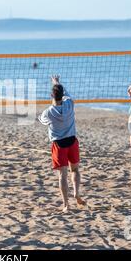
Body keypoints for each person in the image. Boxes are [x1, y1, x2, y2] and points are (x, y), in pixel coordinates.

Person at [38, 75, 85, 212]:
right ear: (62, 95)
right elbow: (67, 95)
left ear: (51, 95)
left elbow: (41, 120)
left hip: (59, 145)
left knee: (62, 176)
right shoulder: (70, 104)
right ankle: (76, 192)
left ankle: (66, 205)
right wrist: (57, 83)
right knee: (75, 170)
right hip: (72, 141)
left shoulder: (48, 112)